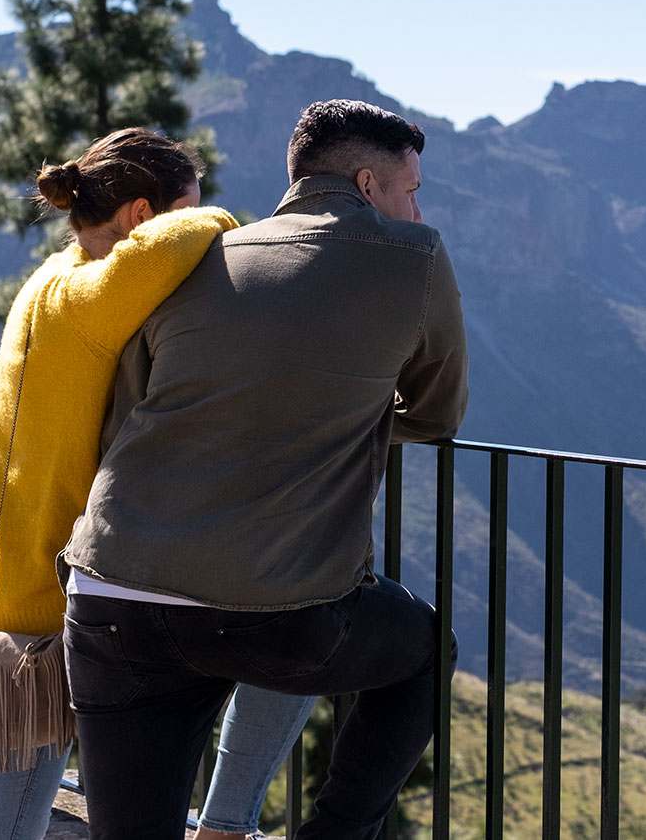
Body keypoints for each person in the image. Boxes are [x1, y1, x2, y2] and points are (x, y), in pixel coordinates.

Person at [62, 99, 469, 840]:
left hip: (111, 595)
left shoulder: (200, 257)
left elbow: (131, 414)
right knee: (422, 650)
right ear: (369, 184)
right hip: (281, 618)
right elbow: (438, 413)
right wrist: (348, 409)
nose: (418, 205)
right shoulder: (414, 256)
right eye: (413, 188)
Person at [0, 127, 313, 840]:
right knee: (6, 829)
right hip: (23, 631)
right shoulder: (88, 298)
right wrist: (222, 224)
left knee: (5, 821)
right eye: (181, 211)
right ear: (141, 217)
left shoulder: (52, 278)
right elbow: (180, 242)